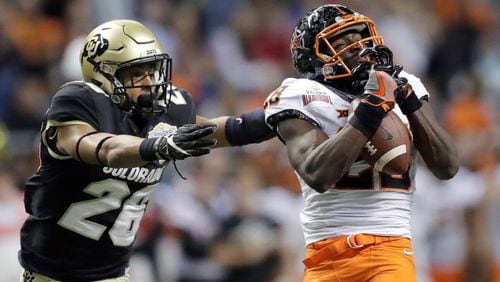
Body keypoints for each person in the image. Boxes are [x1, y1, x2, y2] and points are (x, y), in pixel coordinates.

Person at [18, 19, 274, 282]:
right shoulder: (79, 102)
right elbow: (103, 148)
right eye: (136, 73)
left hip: (114, 275)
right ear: (104, 75)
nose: (149, 82)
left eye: (152, 70)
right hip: (52, 275)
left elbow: (213, 131)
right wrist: (154, 146)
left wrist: (269, 121)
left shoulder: (166, 109)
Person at [263, 4, 459, 282]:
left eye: (359, 38)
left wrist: (408, 100)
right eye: (341, 43)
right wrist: (371, 109)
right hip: (324, 254)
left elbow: (448, 166)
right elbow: (318, 174)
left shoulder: (404, 84)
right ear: (314, 60)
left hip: (388, 248)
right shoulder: (302, 95)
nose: (357, 48)